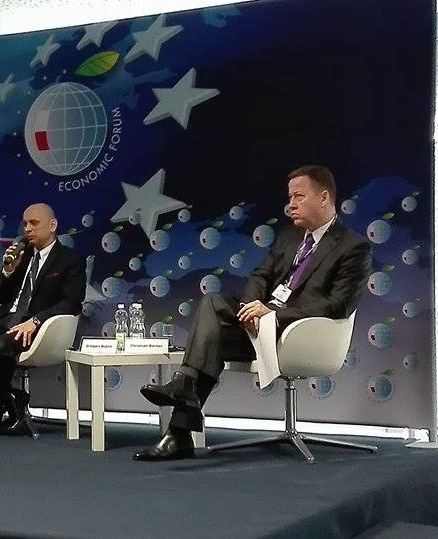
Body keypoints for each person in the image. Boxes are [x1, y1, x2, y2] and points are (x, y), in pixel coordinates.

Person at [134, 165, 372, 461]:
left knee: (212, 334)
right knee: (213, 306)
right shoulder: (289, 236)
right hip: (260, 327)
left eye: (299, 196)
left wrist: (272, 314)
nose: (291, 205)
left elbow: (338, 305)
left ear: (324, 198)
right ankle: (181, 422)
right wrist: (251, 310)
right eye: (290, 197)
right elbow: (261, 275)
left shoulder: (353, 247)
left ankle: (180, 419)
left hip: (299, 333)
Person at [0, 202, 86, 435]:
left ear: (52, 225)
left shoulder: (69, 260)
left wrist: (37, 320)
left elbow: (72, 302)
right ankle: (11, 395)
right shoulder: (22, 255)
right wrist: (8, 271)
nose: (28, 229)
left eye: (34, 223)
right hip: (6, 316)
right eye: (25, 224)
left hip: (38, 324)